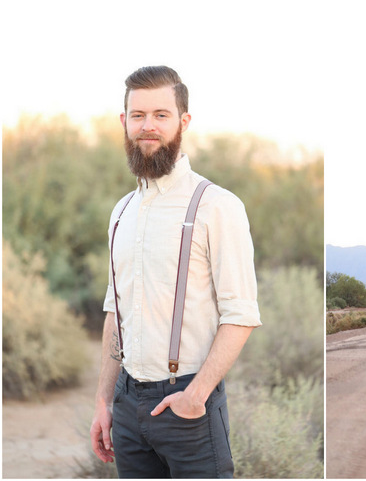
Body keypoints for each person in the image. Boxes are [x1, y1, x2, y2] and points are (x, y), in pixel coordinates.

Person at [90, 66, 262, 478]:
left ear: (183, 122)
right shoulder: (121, 213)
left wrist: (196, 394)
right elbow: (117, 312)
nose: (148, 126)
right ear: (124, 121)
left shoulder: (216, 206)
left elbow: (241, 314)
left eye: (161, 115)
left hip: (189, 407)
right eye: (138, 115)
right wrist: (104, 400)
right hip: (127, 407)